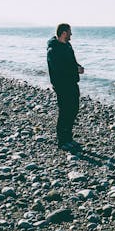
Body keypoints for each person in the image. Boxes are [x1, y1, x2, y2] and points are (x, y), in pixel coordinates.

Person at [47, 23, 85, 152]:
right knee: (64, 112)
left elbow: (72, 62)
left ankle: (69, 137)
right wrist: (75, 69)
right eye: (69, 32)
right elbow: (59, 69)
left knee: (74, 110)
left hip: (73, 83)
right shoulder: (53, 50)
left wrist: (78, 67)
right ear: (63, 33)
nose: (71, 34)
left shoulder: (68, 46)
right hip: (62, 85)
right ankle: (62, 141)